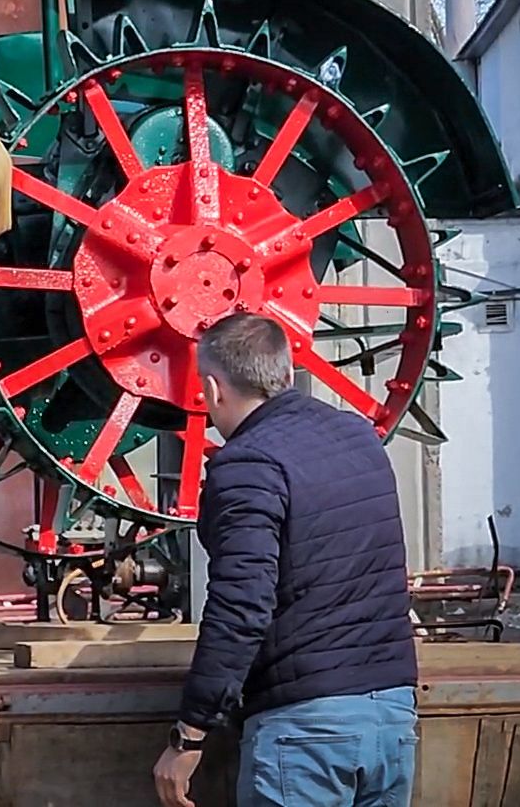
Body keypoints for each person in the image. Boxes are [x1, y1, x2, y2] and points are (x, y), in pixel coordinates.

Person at [153, 313, 419, 807]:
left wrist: (189, 735)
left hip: (306, 729)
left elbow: (241, 606)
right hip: (392, 717)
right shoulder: (359, 437)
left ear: (212, 388)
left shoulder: (247, 463)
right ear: (285, 372)